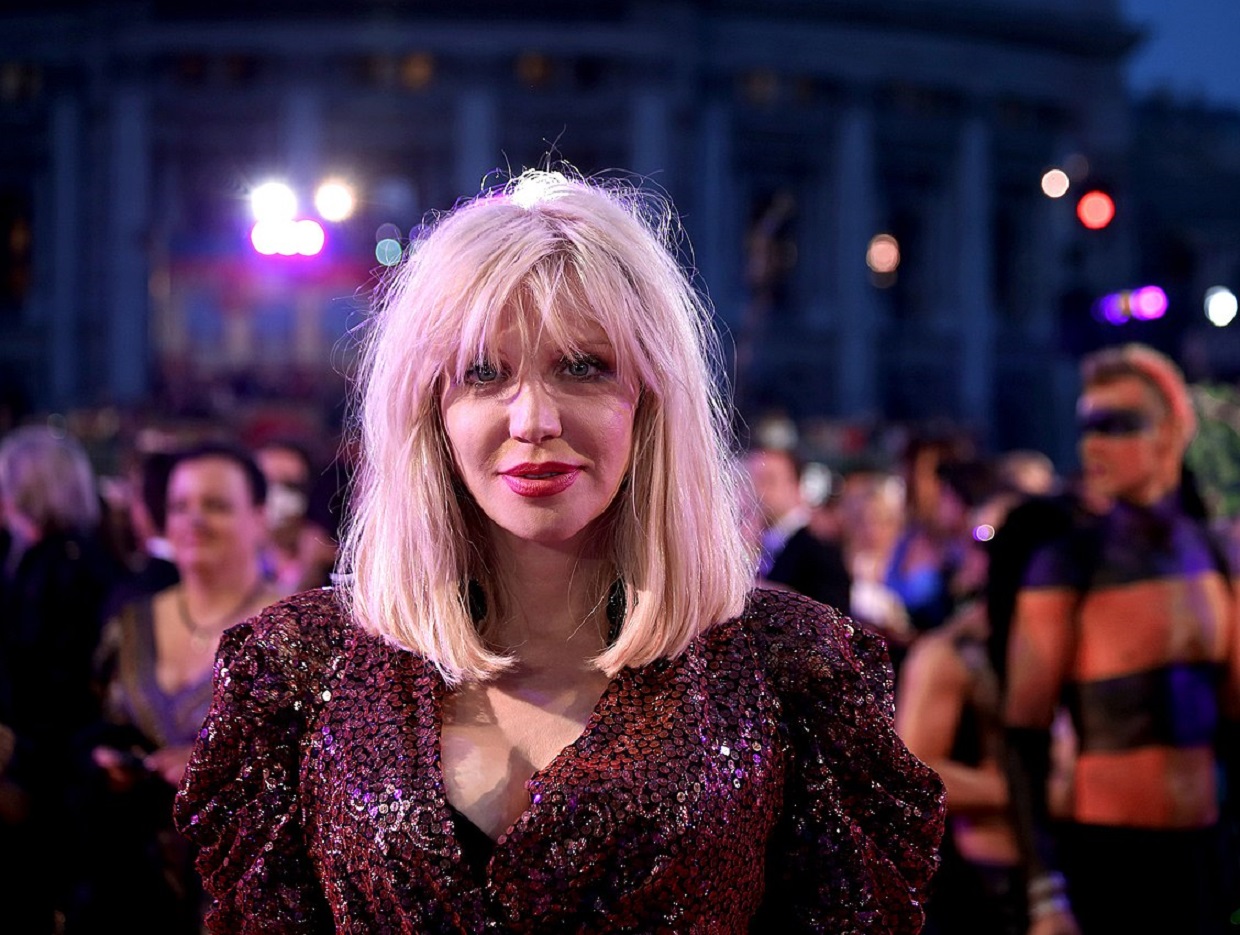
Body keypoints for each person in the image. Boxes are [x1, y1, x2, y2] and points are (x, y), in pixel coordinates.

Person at [173, 169, 944, 932]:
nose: (533, 417)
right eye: (485, 373)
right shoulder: (301, 668)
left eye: (583, 368)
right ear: (428, 408)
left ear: (650, 399)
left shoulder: (787, 668)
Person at [1003, 343, 1240, 935]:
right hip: (1108, 862)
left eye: (1116, 425)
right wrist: (1045, 890)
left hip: (1206, 853)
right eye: (1087, 425)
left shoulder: (1216, 555)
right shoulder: (1065, 565)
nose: (1092, 446)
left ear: (1170, 431)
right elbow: (1023, 736)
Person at [66, 442, 279, 932]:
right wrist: (108, 759)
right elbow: (91, 722)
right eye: (181, 506)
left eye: (217, 505)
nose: (193, 520)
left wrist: (213, 768)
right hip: (127, 889)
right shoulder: (131, 620)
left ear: (259, 519)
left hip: (246, 897)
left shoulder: (299, 626)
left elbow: (331, 769)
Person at [0, 426, 118, 933]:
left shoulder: (59, 567)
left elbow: (51, 678)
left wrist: (17, 759)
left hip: (49, 764)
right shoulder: (65, 556)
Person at [744, 446, 852, 612]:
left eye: (768, 480)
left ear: (795, 486)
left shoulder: (820, 545)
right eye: (750, 480)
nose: (756, 490)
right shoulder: (752, 542)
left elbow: (834, 616)